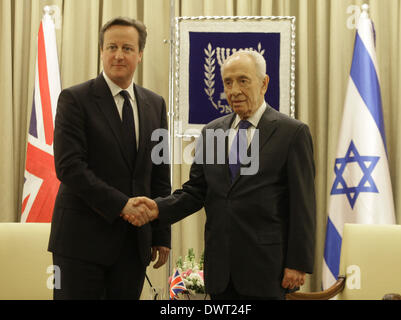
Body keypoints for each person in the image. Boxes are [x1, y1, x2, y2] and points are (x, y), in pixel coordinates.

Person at [124, 50, 316, 300]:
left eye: (243, 80)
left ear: (264, 83)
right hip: (221, 271)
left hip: (268, 269)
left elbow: (303, 205)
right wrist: (157, 209)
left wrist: (298, 263)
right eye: (228, 82)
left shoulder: (292, 133)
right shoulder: (212, 132)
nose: (234, 90)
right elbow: (195, 192)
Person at [48, 17, 171, 300]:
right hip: (80, 245)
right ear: (101, 51)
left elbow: (160, 172)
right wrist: (122, 205)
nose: (118, 55)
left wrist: (161, 233)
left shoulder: (155, 104)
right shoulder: (74, 99)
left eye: (127, 48)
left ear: (140, 54)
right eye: (111, 46)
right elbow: (69, 167)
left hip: (133, 246)